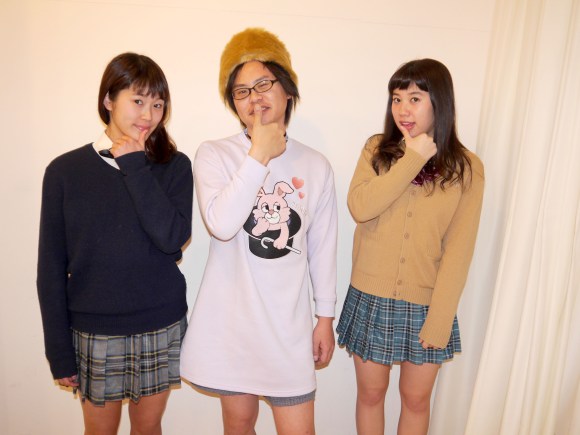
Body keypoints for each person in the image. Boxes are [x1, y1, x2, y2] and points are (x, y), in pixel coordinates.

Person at [180, 28, 338, 434]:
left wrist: (324, 317)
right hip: (232, 325)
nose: (254, 98)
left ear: (287, 88)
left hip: (288, 328)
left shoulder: (315, 165)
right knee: (239, 425)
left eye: (264, 84)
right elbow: (222, 225)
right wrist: (259, 154)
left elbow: (322, 248)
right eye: (241, 91)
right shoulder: (215, 154)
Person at [37, 52, 193, 435]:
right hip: (95, 329)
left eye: (158, 104)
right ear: (109, 99)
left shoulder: (174, 166)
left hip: (159, 321)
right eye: (138, 100)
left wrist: (135, 165)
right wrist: (59, 352)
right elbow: (50, 269)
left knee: (148, 429)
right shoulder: (65, 171)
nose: (148, 115)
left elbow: (172, 239)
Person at [336, 58, 485, 434]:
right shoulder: (377, 149)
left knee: (416, 400)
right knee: (371, 395)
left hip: (427, 303)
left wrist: (440, 317)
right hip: (371, 297)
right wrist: (412, 157)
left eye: (415, 99)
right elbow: (361, 207)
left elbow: (459, 250)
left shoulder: (467, 168)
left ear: (439, 102)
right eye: (396, 99)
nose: (403, 109)